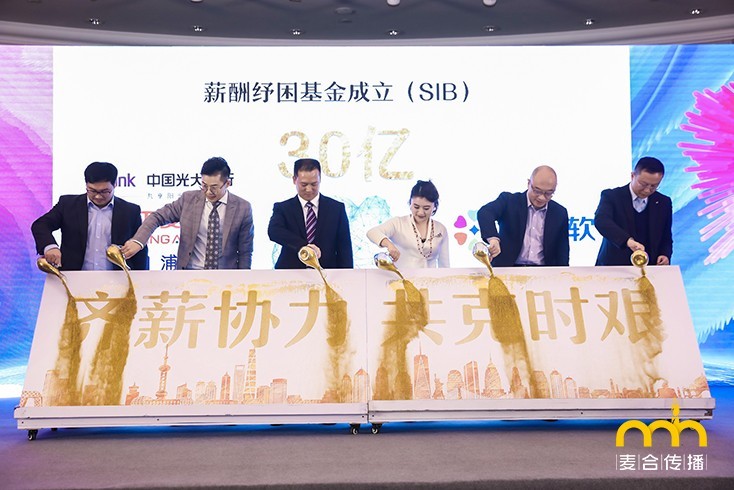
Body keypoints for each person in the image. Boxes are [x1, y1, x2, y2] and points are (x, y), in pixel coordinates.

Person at [121, 157, 253, 269]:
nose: (208, 192)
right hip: (189, 274)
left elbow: (245, 252)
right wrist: (138, 241)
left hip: (225, 278)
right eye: (204, 185)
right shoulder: (188, 200)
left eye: (214, 187)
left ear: (227, 183)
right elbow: (157, 217)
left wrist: (243, 281)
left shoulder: (243, 208)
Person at [32, 161, 148, 271]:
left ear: (115, 185)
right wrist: (50, 247)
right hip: (73, 277)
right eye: (92, 191)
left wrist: (141, 278)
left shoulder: (130, 211)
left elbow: (140, 249)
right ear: (86, 185)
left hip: (117, 279)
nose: (98, 196)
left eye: (104, 191)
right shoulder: (68, 205)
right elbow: (41, 225)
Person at [268, 158, 353, 269]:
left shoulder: (336, 208)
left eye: (314, 184)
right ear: (294, 180)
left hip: (327, 271)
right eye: (304, 184)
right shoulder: (283, 208)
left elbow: (344, 247)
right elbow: (274, 231)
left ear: (320, 179)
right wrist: (304, 246)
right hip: (291, 271)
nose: (309, 189)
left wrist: (348, 274)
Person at [477, 165, 569, 267]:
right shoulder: (509, 201)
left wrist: (563, 272)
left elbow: (562, 250)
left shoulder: (559, 213)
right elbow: (485, 213)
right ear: (529, 183)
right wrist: (493, 239)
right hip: (508, 268)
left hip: (543, 270)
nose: (542, 197)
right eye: (537, 191)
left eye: (548, 193)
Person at [594, 156, 672, 266]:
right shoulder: (612, 196)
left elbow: (666, 236)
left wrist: (665, 254)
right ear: (632, 176)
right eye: (643, 184)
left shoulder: (663, 202)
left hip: (650, 267)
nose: (647, 190)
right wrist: (628, 241)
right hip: (614, 265)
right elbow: (601, 221)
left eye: (654, 186)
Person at [367, 180, 450, 268]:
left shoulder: (440, 229)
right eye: (416, 207)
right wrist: (389, 244)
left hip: (430, 276)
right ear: (410, 203)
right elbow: (372, 232)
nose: (420, 212)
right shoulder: (398, 223)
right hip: (402, 276)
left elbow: (445, 265)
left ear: (435, 206)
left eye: (426, 208)